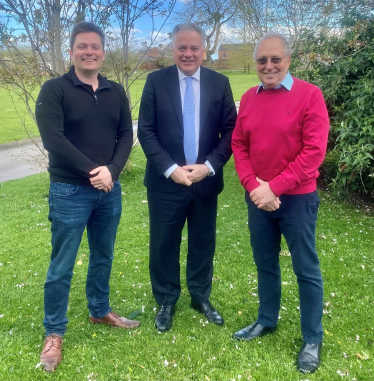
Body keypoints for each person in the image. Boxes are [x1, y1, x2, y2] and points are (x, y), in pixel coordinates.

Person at [35, 22, 140, 372]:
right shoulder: (54, 90)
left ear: (103, 52)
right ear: (72, 51)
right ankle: (54, 333)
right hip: (69, 190)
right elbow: (54, 140)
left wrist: (113, 169)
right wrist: (95, 172)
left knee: (103, 255)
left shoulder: (115, 91)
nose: (89, 52)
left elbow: (126, 133)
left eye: (95, 47)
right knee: (62, 264)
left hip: (109, 191)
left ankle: (99, 310)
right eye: (82, 46)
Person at [231, 33, 329, 374]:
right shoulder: (248, 98)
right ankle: (266, 320)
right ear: (256, 63)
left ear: (289, 59)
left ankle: (312, 338)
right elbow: (239, 145)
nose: (269, 66)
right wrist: (252, 185)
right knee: (265, 264)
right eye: (262, 60)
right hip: (258, 197)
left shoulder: (310, 95)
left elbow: (314, 152)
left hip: (297, 199)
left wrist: (275, 187)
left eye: (276, 59)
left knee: (306, 269)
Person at [137, 23, 237, 332]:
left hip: (205, 181)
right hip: (166, 182)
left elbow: (231, 131)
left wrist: (208, 166)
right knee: (164, 243)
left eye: (194, 47)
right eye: (182, 47)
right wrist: (172, 169)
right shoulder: (156, 81)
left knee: (203, 242)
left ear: (203, 50)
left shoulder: (219, 83)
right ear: (173, 49)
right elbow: (146, 131)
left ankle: (200, 296)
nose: (188, 53)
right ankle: (167, 299)